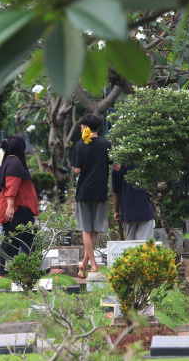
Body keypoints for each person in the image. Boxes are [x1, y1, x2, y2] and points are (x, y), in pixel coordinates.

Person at [71, 114, 116, 279]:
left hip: (83, 191)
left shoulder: (80, 145)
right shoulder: (107, 144)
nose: (81, 128)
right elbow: (117, 166)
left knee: (86, 228)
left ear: (86, 127)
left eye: (82, 126)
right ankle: (84, 264)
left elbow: (76, 170)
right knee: (95, 228)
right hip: (100, 191)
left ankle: (93, 264)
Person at [0, 134, 39, 277]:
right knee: (28, 242)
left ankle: (3, 273)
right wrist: (11, 206)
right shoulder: (15, 164)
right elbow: (12, 186)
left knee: (8, 241)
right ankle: (30, 273)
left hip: (14, 209)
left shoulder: (8, 161)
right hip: (18, 210)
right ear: (21, 148)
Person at [112, 164, 155, 241]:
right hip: (145, 209)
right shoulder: (144, 163)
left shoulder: (117, 168)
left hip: (128, 210)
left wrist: (116, 211)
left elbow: (116, 193)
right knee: (146, 245)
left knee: (129, 245)